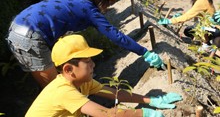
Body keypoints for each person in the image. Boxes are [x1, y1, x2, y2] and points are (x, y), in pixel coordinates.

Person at [6, 0, 163, 88]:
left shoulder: (72, 0)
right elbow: (116, 36)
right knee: (56, 88)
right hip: (30, 36)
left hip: (18, 26)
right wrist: (144, 52)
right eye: (107, 3)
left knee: (58, 82)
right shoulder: (90, 10)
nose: (107, 8)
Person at [25, 34, 183, 117]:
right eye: (87, 61)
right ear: (68, 69)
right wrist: (144, 113)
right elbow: (106, 114)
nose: (93, 64)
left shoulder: (82, 82)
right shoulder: (63, 91)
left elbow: (115, 93)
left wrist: (151, 100)